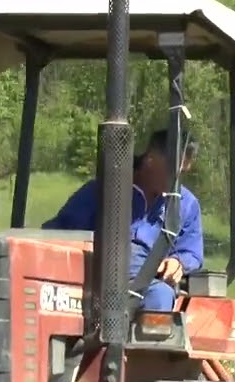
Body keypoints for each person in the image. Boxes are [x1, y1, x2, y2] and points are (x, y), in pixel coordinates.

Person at [42, 128, 203, 312]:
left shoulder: (186, 205)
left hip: (146, 284)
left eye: (183, 173)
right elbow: (58, 232)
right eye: (173, 172)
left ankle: (144, 341)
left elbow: (192, 251)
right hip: (95, 280)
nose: (177, 180)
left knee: (159, 296)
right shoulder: (101, 192)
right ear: (150, 159)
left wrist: (179, 261)